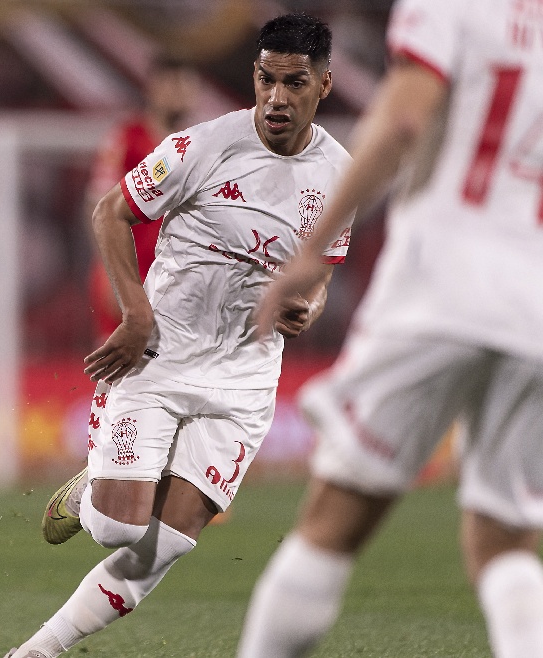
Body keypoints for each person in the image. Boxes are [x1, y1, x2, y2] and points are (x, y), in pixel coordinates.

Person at [5, 14, 352, 657]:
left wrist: (311, 301)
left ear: (324, 84)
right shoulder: (202, 147)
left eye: (294, 83)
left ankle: (33, 653)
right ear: (254, 76)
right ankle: (95, 491)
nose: (276, 97)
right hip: (162, 355)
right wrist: (135, 315)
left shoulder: (340, 174)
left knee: (158, 551)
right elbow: (110, 211)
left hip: (246, 377)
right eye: (265, 79)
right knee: (115, 529)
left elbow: (323, 266)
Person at [238, 0, 543, 656]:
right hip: (537, 306)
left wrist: (312, 251)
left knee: (335, 515)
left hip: (443, 283)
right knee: (505, 539)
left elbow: (404, 117)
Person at [85, 54, 198, 343]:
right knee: (118, 369)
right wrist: (110, 272)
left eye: (185, 86)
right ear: (153, 88)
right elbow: (97, 206)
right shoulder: (127, 139)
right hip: (131, 270)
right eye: (171, 85)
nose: (178, 93)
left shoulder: (200, 145)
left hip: (181, 277)